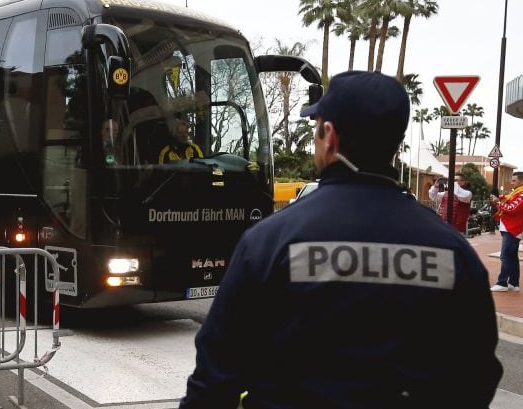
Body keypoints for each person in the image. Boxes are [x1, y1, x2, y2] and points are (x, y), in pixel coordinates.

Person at [179, 71, 502, 409]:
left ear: (329, 136)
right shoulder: (452, 252)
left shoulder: (270, 241)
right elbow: (477, 374)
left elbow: (216, 374)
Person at [490, 171, 523, 292]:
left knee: (505, 256)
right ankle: (513, 283)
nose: (511, 183)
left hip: (513, 228)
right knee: (512, 256)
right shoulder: (516, 193)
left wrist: (498, 201)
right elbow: (506, 206)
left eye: (514, 180)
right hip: (510, 227)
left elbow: (512, 209)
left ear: (522, 181)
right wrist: (498, 200)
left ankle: (502, 282)